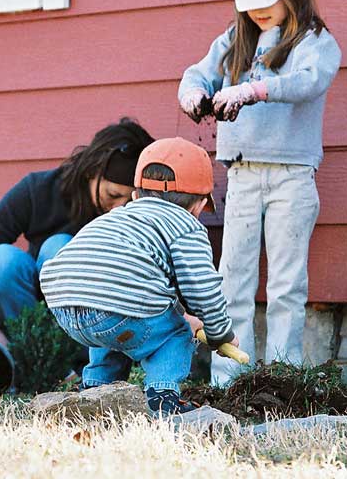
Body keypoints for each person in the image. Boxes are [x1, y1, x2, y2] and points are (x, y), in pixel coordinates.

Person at [177, 0, 342, 385]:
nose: (258, 9)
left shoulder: (314, 41)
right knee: (232, 279)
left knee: (287, 283)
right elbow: (197, 73)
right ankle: (229, 380)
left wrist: (255, 90)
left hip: (292, 175)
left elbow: (310, 80)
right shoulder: (235, 40)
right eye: (250, 0)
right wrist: (193, 93)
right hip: (243, 174)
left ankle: (285, 380)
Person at [39, 137, 239, 415]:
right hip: (113, 309)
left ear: (135, 195)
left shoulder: (118, 216)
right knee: (176, 332)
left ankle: (95, 390)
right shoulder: (186, 226)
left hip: (65, 303)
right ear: (198, 205)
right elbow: (202, 288)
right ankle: (163, 398)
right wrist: (219, 333)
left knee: (111, 320)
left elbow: (139, 283)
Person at [0, 118, 155, 350]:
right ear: (91, 171)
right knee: (2, 263)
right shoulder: (38, 190)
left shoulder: (138, 217)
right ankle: (26, 354)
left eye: (130, 200)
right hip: (26, 317)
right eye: (112, 194)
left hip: (91, 333)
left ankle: (70, 361)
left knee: (59, 247)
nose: (119, 208)